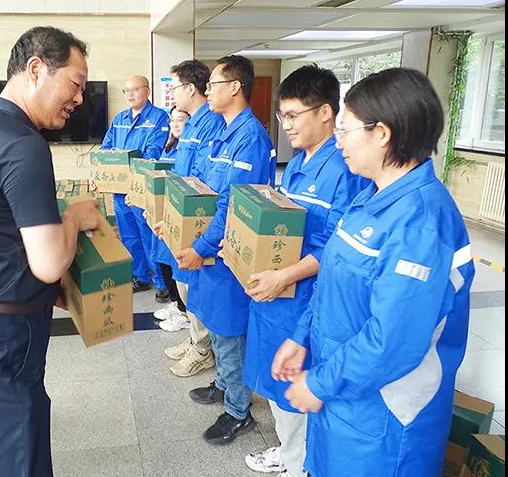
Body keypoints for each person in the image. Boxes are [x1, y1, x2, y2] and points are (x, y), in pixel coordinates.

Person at [273, 68, 476, 476]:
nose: (338, 140)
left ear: (381, 133)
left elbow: (393, 340)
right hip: (345, 390)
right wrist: (301, 336)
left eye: (345, 130)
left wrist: (320, 383)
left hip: (385, 415)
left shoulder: (420, 223)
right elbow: (333, 279)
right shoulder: (370, 197)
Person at [0, 26, 99, 477]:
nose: (79, 99)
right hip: (0, 338)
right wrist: (73, 218)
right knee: (18, 463)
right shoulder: (22, 146)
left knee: (9, 455)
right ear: (36, 69)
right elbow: (47, 264)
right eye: (75, 84)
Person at [238, 65, 369, 476]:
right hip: (277, 298)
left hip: (306, 301)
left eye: (294, 115)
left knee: (298, 392)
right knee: (278, 386)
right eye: (283, 116)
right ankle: (289, 450)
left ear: (326, 112)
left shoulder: (345, 170)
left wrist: (283, 276)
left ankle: (300, 464)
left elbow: (334, 246)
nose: (287, 125)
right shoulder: (296, 164)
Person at [182, 55, 276, 444]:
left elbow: (233, 205)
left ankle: (238, 411)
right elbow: (202, 191)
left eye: (214, 84)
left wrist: (200, 246)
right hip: (211, 248)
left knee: (229, 329)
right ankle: (223, 383)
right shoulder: (223, 132)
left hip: (225, 253)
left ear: (235, 87)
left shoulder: (250, 138)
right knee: (216, 324)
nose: (207, 91)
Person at [152, 59, 225, 378]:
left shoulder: (210, 123)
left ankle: (203, 349)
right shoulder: (193, 123)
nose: (172, 94)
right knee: (185, 285)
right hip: (182, 212)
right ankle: (196, 340)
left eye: (175, 87)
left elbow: (203, 181)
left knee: (194, 285)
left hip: (196, 218)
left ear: (191, 89)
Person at [99, 75, 169, 299]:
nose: (129, 94)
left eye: (135, 89)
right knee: (129, 235)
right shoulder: (119, 119)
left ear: (147, 91)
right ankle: (141, 277)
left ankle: (161, 281)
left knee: (149, 234)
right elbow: (106, 148)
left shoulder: (159, 118)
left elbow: (152, 152)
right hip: (120, 190)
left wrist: (126, 167)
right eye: (126, 90)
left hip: (142, 189)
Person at [151, 106, 189, 330]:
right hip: (163, 213)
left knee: (177, 263)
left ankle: (184, 312)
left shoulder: (189, 151)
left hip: (178, 214)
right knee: (164, 260)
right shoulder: (169, 147)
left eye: (180, 119)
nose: (175, 124)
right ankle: (176, 304)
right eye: (172, 120)